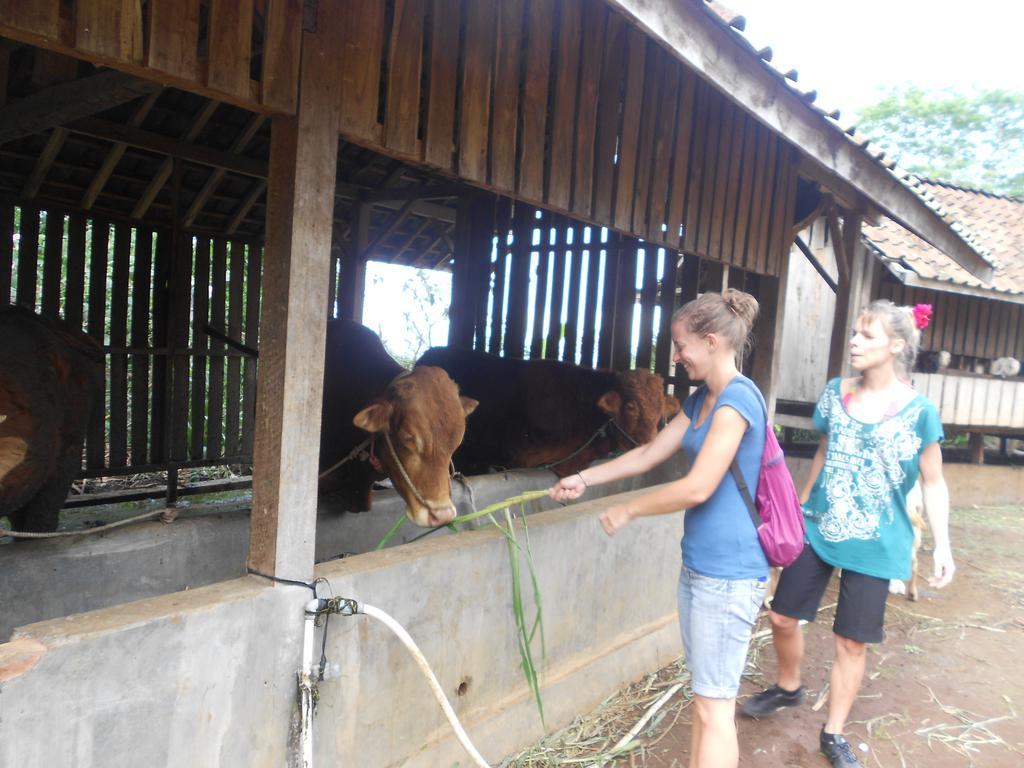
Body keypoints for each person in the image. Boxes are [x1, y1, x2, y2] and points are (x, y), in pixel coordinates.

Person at [550, 289, 770, 768]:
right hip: (699, 569)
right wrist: (584, 478)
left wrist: (630, 510)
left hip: (729, 575)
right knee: (705, 701)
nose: (676, 356)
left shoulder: (738, 401)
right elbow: (650, 453)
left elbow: (698, 487)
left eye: (681, 345)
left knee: (715, 710)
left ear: (711, 341)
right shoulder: (701, 400)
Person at [741, 300, 955, 768]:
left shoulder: (920, 412)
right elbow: (823, 450)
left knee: (851, 641)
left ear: (896, 346)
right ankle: (790, 686)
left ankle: (833, 732)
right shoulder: (835, 393)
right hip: (818, 528)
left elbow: (934, 482)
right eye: (855, 332)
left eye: (867, 335)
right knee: (780, 616)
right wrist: (799, 505)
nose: (854, 342)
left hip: (878, 542)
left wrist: (944, 545)